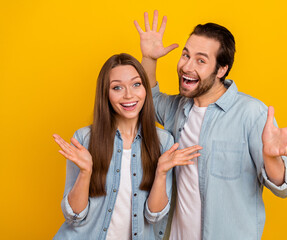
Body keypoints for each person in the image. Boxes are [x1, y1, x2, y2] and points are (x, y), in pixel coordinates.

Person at [134, 11, 287, 240]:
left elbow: (284, 187)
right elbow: (147, 99)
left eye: (201, 60)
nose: (187, 66)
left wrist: (270, 157)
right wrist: (148, 57)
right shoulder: (177, 108)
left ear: (221, 69)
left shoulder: (251, 113)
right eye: (185, 55)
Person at [53, 53, 202, 240]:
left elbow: (154, 216)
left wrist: (161, 172)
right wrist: (85, 172)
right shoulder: (84, 139)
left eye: (136, 84)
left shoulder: (163, 142)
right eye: (117, 87)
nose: (129, 95)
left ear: (145, 89)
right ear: (105, 94)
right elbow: (74, 216)